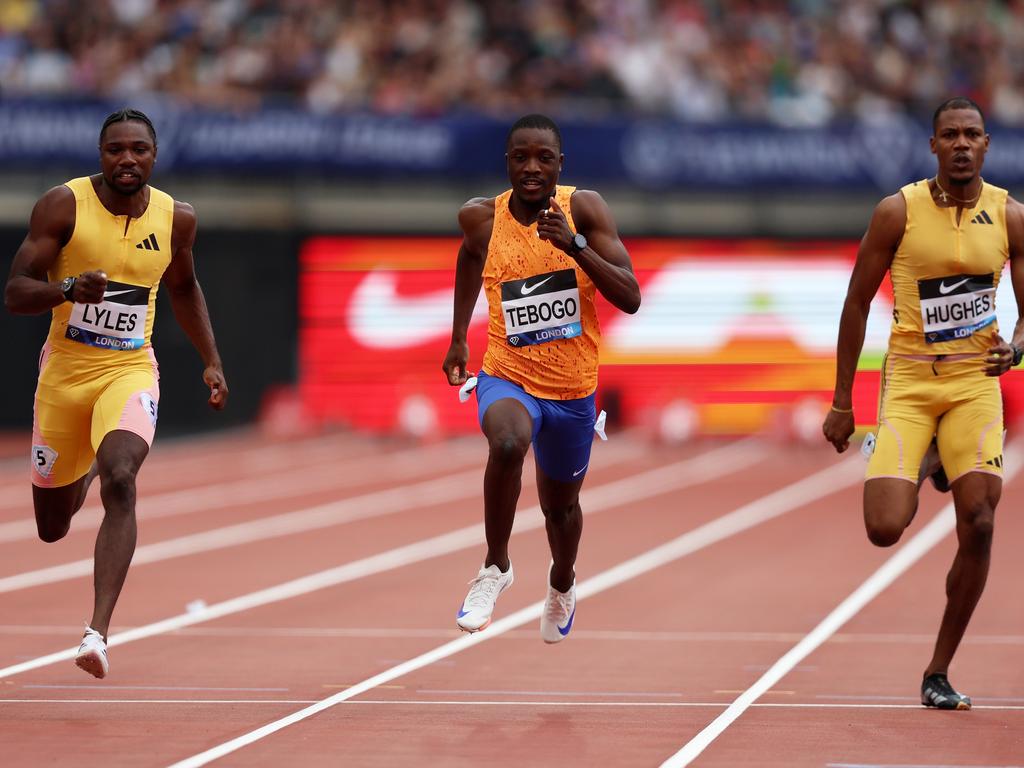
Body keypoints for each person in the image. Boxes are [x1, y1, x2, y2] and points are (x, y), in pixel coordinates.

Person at [4, 108, 228, 678]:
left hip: (129, 368)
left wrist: (211, 360)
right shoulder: (63, 206)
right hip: (64, 374)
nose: (127, 159)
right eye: (115, 150)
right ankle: (82, 465)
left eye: (138, 150)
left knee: (123, 475)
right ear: (100, 155)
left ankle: (96, 633)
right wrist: (67, 289)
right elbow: (15, 292)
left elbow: (183, 286)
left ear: (154, 155)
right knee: (52, 526)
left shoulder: (177, 218)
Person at [823, 96, 1024, 709]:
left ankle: (937, 670)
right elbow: (856, 304)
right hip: (910, 384)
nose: (962, 144)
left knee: (981, 521)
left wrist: (1019, 344)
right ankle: (925, 458)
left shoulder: (1011, 216)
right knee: (884, 529)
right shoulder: (896, 212)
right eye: (950, 135)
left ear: (987, 145)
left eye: (972, 135)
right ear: (933, 146)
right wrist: (841, 401)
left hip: (973, 388)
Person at [441, 114, 640, 642]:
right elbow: (468, 258)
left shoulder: (585, 209)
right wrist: (460, 335)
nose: (531, 169)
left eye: (543, 159)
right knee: (507, 442)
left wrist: (575, 246)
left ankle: (562, 581)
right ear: (506, 162)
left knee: (561, 508)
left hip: (573, 391)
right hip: (507, 375)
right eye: (521, 158)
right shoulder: (481, 218)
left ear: (560, 165)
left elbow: (631, 297)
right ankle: (495, 567)